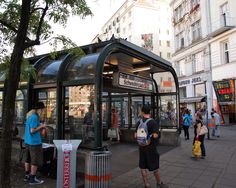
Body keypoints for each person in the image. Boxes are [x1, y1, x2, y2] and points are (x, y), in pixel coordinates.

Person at [134, 105, 168, 188]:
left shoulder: (139, 122)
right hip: (151, 148)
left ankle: (146, 184)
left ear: (142, 112)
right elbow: (156, 135)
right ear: (149, 112)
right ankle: (159, 183)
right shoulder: (153, 122)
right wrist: (151, 135)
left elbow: (135, 136)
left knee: (142, 167)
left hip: (142, 147)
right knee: (155, 166)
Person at [24, 101, 46, 185]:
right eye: (43, 110)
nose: (43, 112)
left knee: (28, 159)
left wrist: (39, 126)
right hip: (34, 143)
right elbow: (32, 130)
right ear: (39, 110)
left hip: (28, 141)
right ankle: (32, 179)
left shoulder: (30, 116)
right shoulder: (34, 117)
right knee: (35, 161)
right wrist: (41, 126)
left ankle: (27, 176)